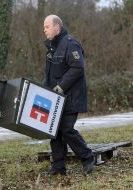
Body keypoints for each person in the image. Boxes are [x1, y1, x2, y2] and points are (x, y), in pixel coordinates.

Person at [43, 15, 95, 175]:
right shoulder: (52, 48)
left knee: (66, 129)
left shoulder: (70, 44)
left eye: (46, 27)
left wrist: (61, 86)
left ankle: (87, 157)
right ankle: (59, 167)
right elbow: (50, 75)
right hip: (56, 99)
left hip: (71, 97)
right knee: (54, 131)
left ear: (56, 27)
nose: (44, 30)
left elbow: (78, 68)